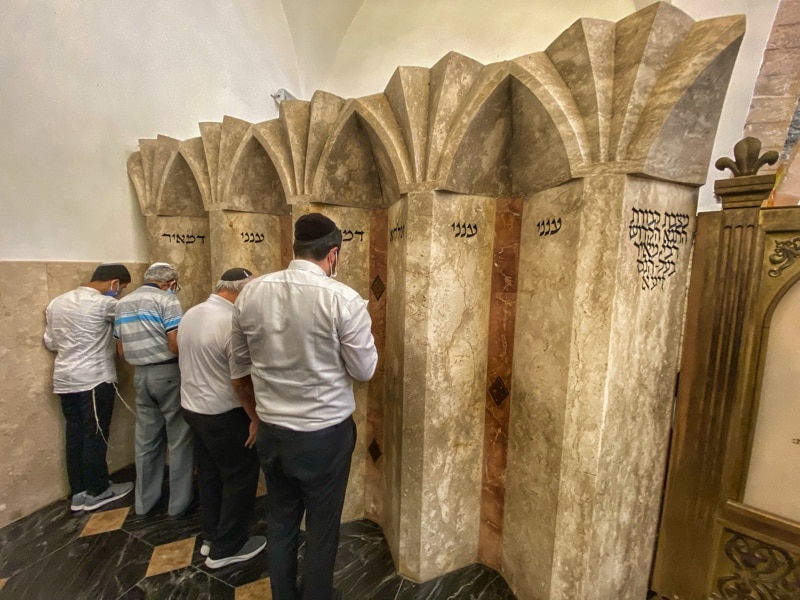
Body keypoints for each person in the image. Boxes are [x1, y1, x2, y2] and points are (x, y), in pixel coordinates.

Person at [231, 213, 378, 600]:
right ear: (333, 254)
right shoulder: (341, 298)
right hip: (323, 437)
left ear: (295, 249)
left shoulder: (251, 292)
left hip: (272, 431)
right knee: (322, 530)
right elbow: (364, 370)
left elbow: (239, 363)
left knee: (280, 523)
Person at [178, 267, 266, 569]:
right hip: (224, 414)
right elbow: (240, 383)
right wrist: (254, 418)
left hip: (193, 409)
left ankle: (211, 536)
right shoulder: (230, 322)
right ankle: (228, 547)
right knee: (239, 477)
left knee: (211, 475)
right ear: (241, 290)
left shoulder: (192, 313)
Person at [44, 263, 135, 512]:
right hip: (94, 378)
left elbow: (50, 342)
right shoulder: (106, 304)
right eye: (122, 288)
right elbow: (128, 328)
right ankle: (98, 490)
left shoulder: (57, 302)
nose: (120, 293)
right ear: (114, 283)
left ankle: (79, 493)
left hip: (64, 379)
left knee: (75, 435)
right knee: (95, 434)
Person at [114, 262, 194, 518]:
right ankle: (179, 505)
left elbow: (121, 350)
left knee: (146, 441)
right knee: (179, 438)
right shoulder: (166, 300)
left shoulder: (122, 303)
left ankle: (144, 503)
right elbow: (174, 343)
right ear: (170, 283)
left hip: (141, 376)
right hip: (167, 373)